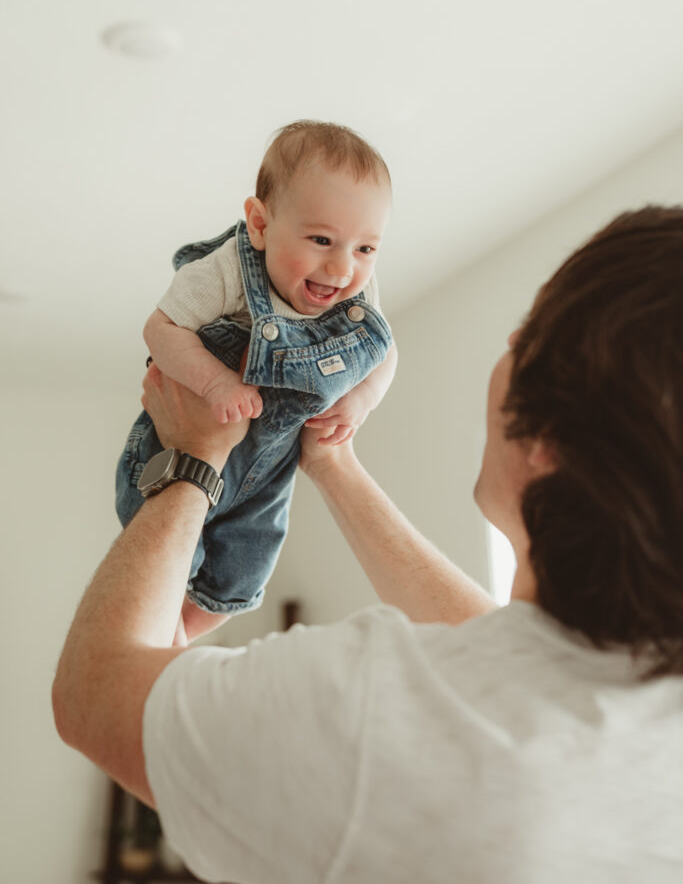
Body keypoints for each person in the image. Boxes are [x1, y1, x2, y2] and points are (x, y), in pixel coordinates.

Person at [53, 205, 683, 883]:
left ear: (550, 442)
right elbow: (505, 655)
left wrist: (195, 459)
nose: (509, 341)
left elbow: (95, 692)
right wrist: (333, 465)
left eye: (529, 336)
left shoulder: (369, 720)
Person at [115, 120, 397, 641]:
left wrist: (362, 400)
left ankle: (180, 640)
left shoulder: (357, 300)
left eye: (366, 249)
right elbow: (161, 328)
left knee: (241, 584)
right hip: (175, 457)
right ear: (260, 225)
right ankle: (163, 645)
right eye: (321, 239)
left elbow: (384, 352)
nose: (342, 267)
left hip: (265, 480)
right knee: (166, 571)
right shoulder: (226, 272)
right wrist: (216, 384)